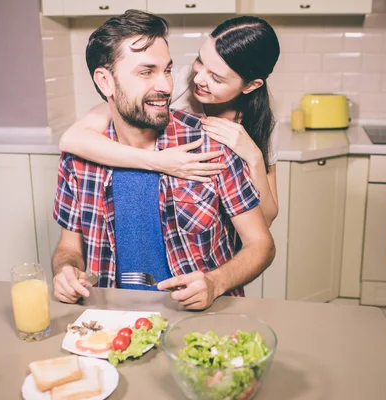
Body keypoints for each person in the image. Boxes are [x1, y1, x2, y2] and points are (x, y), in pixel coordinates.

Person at [51, 10, 275, 310]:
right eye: (146, 72)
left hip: (199, 322)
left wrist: (214, 282)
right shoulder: (80, 158)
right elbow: (68, 246)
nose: (167, 86)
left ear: (249, 86)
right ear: (105, 82)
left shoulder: (213, 143)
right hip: (109, 322)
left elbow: (262, 243)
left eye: (167, 70)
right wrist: (65, 270)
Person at [59, 15, 281, 227]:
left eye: (216, 77)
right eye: (200, 61)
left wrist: (254, 157)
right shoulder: (172, 83)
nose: (199, 78)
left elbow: (268, 217)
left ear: (251, 86)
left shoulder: (263, 120)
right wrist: (159, 161)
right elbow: (73, 139)